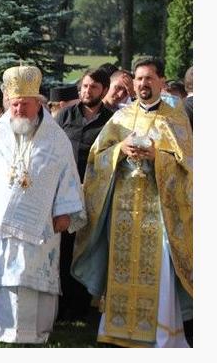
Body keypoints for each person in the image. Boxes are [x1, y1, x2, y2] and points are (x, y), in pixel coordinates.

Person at [74, 57, 193, 347]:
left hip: (160, 212)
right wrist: (119, 149)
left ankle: (159, 335)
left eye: (149, 78)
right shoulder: (121, 118)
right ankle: (117, 332)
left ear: (161, 82)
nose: (143, 84)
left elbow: (188, 168)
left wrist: (158, 157)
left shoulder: (175, 119)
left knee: (158, 270)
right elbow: (97, 159)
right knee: (121, 268)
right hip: (123, 211)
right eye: (139, 79)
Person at [0, 66, 86, 345]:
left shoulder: (56, 138)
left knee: (29, 275)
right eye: (15, 104)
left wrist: (64, 212)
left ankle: (32, 332)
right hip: (0, 222)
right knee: (2, 273)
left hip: (41, 224)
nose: (19, 109)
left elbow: (68, 176)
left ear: (38, 103)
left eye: (25, 104)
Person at [53, 68, 115, 321]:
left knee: (85, 247)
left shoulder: (112, 121)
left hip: (94, 195)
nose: (87, 91)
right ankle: (60, 306)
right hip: (65, 193)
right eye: (85, 86)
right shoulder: (65, 115)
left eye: (94, 87)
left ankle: (80, 307)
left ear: (104, 90)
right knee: (64, 247)